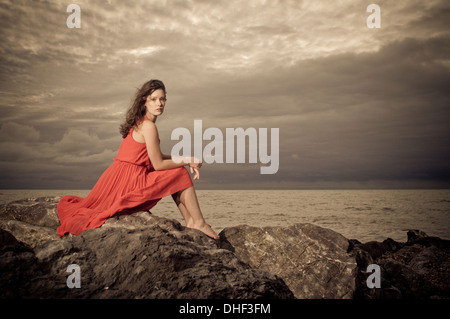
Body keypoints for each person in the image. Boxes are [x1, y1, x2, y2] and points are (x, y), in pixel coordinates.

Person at [57, 79, 219, 239]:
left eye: (162, 99)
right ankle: (198, 222)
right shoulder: (149, 127)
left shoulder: (140, 123)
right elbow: (158, 164)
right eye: (154, 99)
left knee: (176, 170)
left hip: (118, 178)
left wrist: (187, 158)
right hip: (131, 181)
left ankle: (190, 220)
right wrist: (185, 161)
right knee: (179, 173)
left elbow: (155, 156)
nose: (159, 103)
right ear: (144, 102)